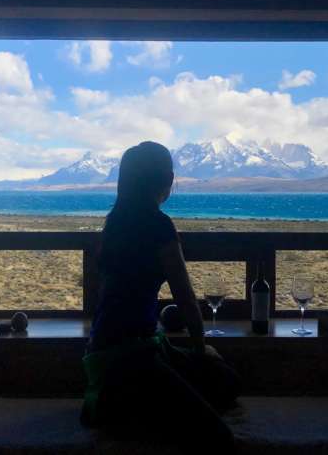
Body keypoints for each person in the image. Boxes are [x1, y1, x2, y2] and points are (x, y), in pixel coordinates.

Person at [79, 141, 242, 454]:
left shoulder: (114, 223)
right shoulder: (159, 226)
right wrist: (200, 350)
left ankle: (137, 407)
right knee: (218, 434)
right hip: (131, 358)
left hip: (110, 349)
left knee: (225, 383)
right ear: (166, 180)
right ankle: (125, 407)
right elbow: (186, 298)